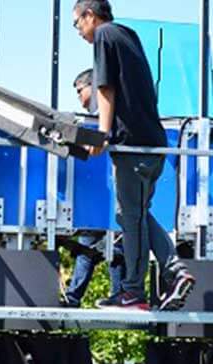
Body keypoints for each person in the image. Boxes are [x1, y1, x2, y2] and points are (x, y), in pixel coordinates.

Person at [72, 0, 195, 310]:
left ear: (90, 15)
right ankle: (175, 272)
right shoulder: (128, 35)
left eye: (77, 23)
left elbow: (105, 87)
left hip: (134, 147)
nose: (78, 31)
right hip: (152, 144)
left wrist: (101, 132)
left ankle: (133, 292)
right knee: (132, 212)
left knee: (131, 216)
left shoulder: (104, 36)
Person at [63, 68, 125, 308]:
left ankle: (74, 297)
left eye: (80, 90)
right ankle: (113, 294)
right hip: (100, 197)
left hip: (106, 194)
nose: (79, 96)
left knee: (100, 246)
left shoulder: (101, 122)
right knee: (103, 246)